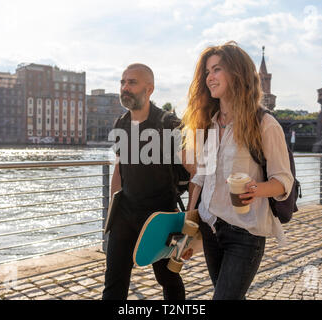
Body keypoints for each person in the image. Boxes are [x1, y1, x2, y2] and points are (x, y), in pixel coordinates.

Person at [182, 41, 294, 300]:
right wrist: (190, 224)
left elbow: (283, 181)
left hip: (245, 233)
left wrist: (255, 189)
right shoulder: (209, 125)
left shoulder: (265, 124)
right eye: (207, 72)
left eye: (217, 69)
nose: (210, 77)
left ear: (238, 74)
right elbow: (201, 176)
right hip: (211, 229)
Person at [102, 63, 194, 300]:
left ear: (149, 89)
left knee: (168, 278)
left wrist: (189, 223)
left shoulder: (170, 124)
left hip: (160, 218)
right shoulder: (121, 123)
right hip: (124, 215)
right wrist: (111, 215)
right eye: (122, 82)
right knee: (114, 282)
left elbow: (196, 173)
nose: (125, 87)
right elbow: (119, 171)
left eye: (132, 82)